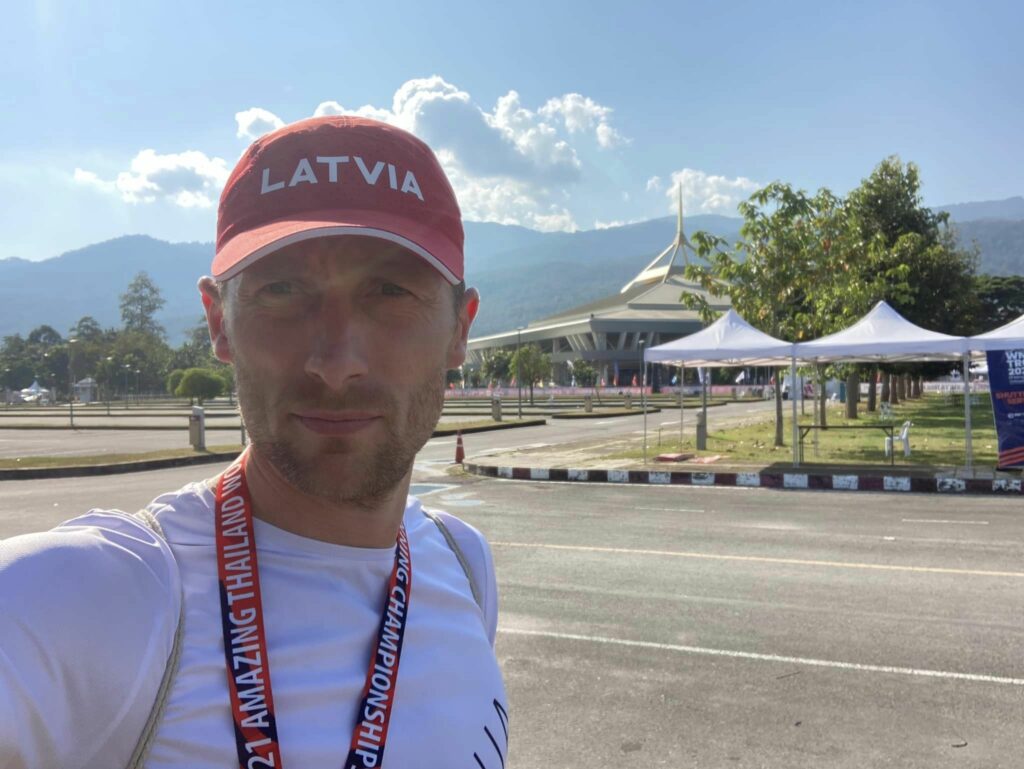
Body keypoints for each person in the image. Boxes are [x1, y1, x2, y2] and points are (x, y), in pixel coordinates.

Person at [0, 116, 509, 768]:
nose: (336, 363)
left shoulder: (464, 565)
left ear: (460, 330)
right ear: (219, 322)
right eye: (282, 291)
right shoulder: (95, 601)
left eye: (390, 291)